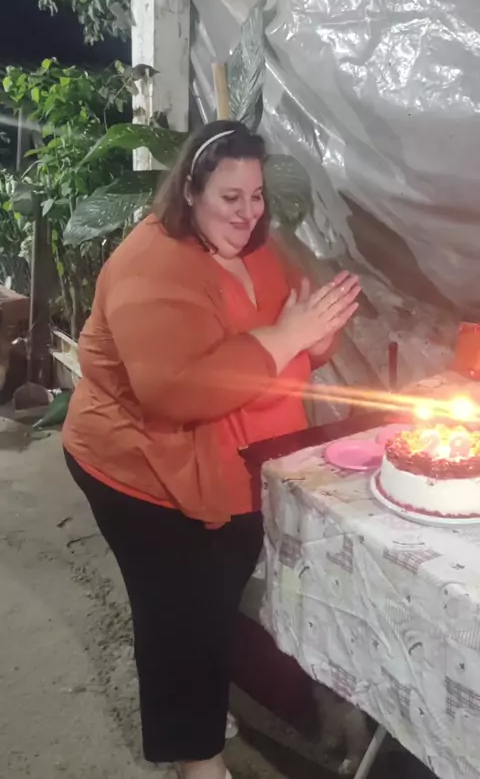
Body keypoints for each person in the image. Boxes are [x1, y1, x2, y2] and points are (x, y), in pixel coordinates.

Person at [63, 120, 360, 779]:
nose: (248, 212)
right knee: (177, 614)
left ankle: (213, 693)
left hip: (235, 463)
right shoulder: (151, 264)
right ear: (191, 190)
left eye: (256, 196)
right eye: (231, 197)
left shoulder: (260, 246)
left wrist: (316, 339)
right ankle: (197, 760)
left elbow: (302, 325)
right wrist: (288, 339)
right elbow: (177, 390)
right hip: (143, 473)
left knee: (213, 598)